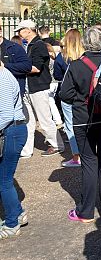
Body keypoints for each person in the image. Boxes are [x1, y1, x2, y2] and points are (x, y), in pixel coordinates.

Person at [60, 27, 101, 222]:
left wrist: (81, 98)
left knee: (89, 162)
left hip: (83, 119)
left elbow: (64, 94)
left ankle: (86, 210)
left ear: (85, 43)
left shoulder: (76, 65)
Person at [16, 20, 64, 158]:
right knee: (29, 121)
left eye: (20, 30)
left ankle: (56, 144)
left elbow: (37, 68)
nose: (19, 34)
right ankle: (27, 149)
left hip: (38, 86)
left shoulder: (39, 46)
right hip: (29, 87)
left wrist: (16, 68)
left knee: (44, 119)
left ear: (28, 30)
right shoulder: (31, 45)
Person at [0, 63, 28, 238]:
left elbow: (6, 115)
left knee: (4, 181)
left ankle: (12, 223)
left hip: (11, 131)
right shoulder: (5, 74)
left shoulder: (2, 78)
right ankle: (18, 213)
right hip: (12, 130)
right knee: (4, 179)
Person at [53, 29, 85, 168]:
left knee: (71, 126)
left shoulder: (62, 56)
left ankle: (76, 156)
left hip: (68, 94)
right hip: (83, 93)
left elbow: (57, 75)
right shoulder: (84, 55)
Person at [0, 26, 32, 96]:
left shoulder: (14, 47)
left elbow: (27, 67)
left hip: (11, 91)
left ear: (0, 32)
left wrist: (5, 65)